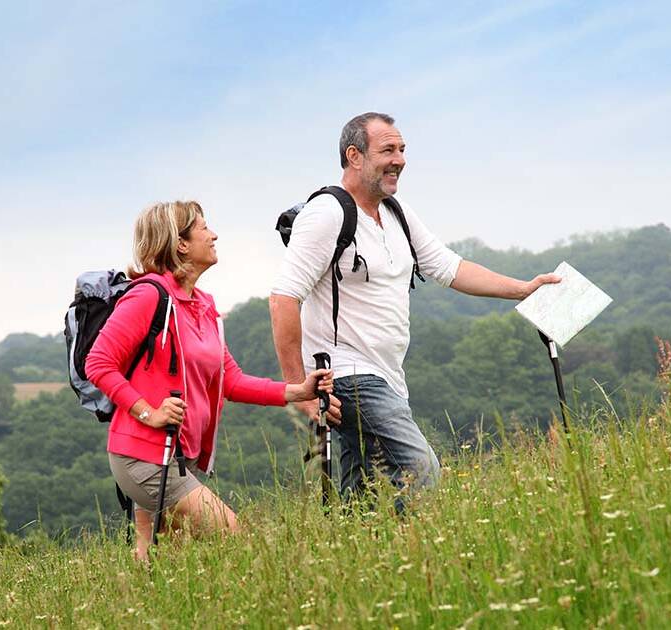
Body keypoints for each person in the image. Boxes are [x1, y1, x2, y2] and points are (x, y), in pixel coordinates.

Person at [270, 112, 559, 510]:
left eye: (402, 150)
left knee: (363, 497)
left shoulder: (396, 212)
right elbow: (283, 298)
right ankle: (421, 554)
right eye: (387, 149)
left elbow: (449, 268)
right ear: (354, 156)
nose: (400, 159)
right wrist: (298, 390)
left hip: (389, 377)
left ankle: (366, 560)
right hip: (348, 376)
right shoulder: (327, 214)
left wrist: (522, 289)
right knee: (420, 469)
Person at [86, 200, 337, 560]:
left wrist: (297, 392)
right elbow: (99, 363)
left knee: (162, 560)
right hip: (143, 454)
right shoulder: (148, 295)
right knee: (235, 535)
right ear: (181, 243)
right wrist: (148, 412)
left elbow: (230, 381)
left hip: (177, 454)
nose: (214, 234)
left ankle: (132, 613)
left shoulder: (203, 305)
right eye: (204, 227)